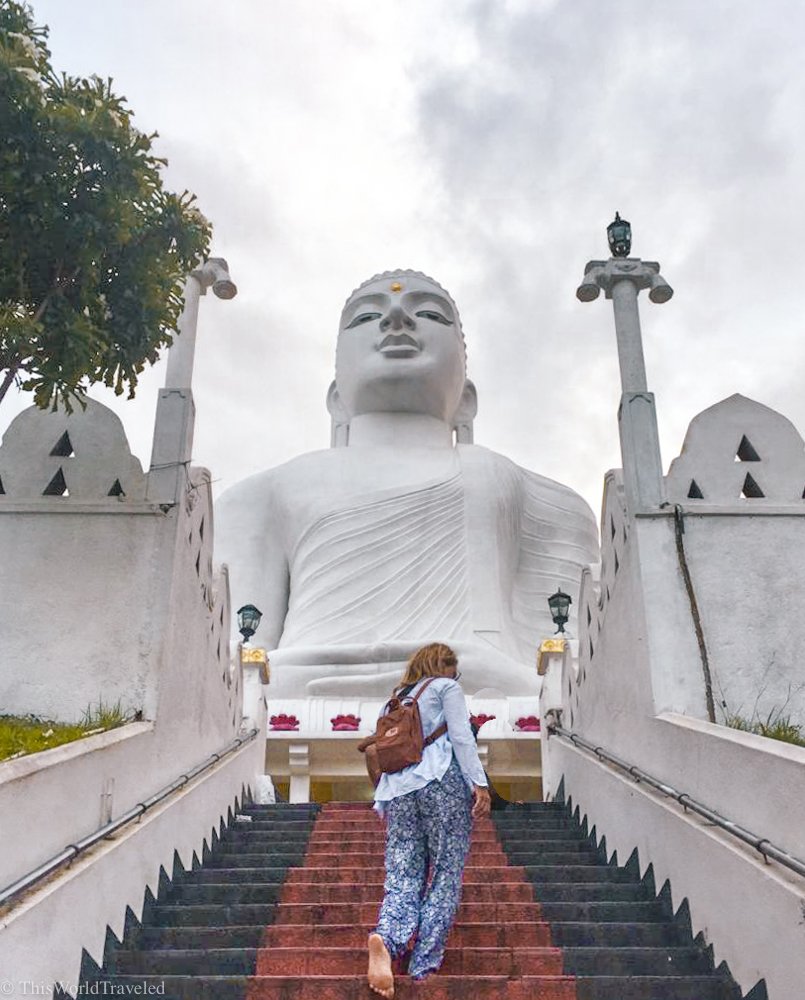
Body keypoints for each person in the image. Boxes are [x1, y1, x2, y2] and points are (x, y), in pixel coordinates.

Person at [214, 270, 598, 701]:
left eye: (430, 313)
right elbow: (236, 663)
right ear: (336, 398)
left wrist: (502, 675)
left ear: (466, 400)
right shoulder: (258, 496)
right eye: (366, 317)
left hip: (481, 686)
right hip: (304, 688)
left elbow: (569, 664)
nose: (396, 318)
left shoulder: (539, 497)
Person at [366, 642, 491, 997]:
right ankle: (423, 962)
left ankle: (387, 940)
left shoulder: (395, 699)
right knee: (447, 871)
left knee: (403, 873)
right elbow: (461, 737)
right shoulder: (446, 688)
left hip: (398, 791)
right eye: (455, 669)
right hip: (441, 782)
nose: (456, 675)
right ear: (445, 666)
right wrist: (479, 785)